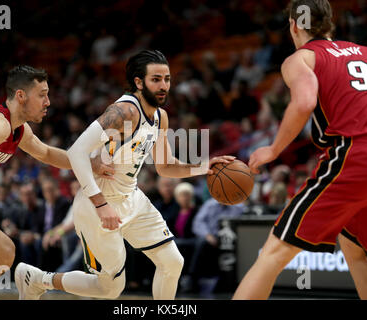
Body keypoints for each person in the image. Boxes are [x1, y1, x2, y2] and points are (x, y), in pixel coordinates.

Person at [15, 50, 234, 300]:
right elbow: (76, 153)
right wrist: (101, 204)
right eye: (156, 79)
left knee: (173, 262)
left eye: (167, 79)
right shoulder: (124, 111)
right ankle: (37, 279)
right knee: (110, 289)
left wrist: (203, 167)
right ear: (139, 82)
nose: (164, 86)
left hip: (132, 196)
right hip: (98, 202)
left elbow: (165, 166)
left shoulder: (160, 116)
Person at [233, 0, 367, 299]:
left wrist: (273, 149)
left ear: (294, 24)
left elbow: (303, 103)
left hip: (352, 156)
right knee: (357, 253)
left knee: (273, 251)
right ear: (329, 23)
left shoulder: (301, 58)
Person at [0, 65, 113, 300]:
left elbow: (46, 153)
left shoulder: (20, 130)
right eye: (42, 94)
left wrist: (90, 163)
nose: (48, 101)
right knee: (4, 252)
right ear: (20, 96)